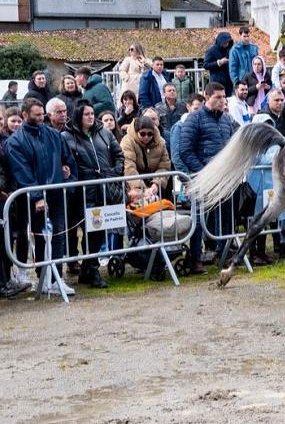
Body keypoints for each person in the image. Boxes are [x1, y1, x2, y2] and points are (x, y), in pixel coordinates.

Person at [6, 98, 76, 296]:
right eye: (36, 115)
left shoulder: (54, 135)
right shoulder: (16, 141)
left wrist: (69, 178)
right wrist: (36, 196)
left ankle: (56, 278)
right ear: (25, 115)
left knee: (59, 235)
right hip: (31, 199)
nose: (41, 118)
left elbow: (67, 159)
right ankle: (43, 277)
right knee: (40, 237)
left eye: (42, 114)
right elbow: (22, 171)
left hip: (55, 194)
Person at [62, 101, 124, 289]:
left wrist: (114, 172)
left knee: (99, 231)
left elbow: (119, 154)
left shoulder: (104, 133)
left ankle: (90, 268)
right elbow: (65, 161)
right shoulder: (66, 136)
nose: (90, 117)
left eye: (92, 113)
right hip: (83, 190)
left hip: (105, 187)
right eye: (86, 114)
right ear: (78, 116)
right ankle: (89, 268)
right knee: (86, 230)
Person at [178, 83, 238, 272]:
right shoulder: (194, 119)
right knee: (198, 220)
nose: (222, 101)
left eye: (223, 97)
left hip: (224, 177)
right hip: (203, 177)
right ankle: (195, 258)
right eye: (217, 97)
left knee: (226, 217)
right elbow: (185, 150)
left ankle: (224, 252)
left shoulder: (226, 120)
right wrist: (204, 173)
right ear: (207, 97)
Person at [121, 116, 172, 208]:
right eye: (143, 133)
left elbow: (164, 166)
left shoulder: (160, 142)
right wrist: (143, 189)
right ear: (136, 132)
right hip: (134, 186)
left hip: (153, 184)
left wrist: (156, 184)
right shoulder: (127, 141)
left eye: (150, 134)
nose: (146, 137)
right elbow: (129, 168)